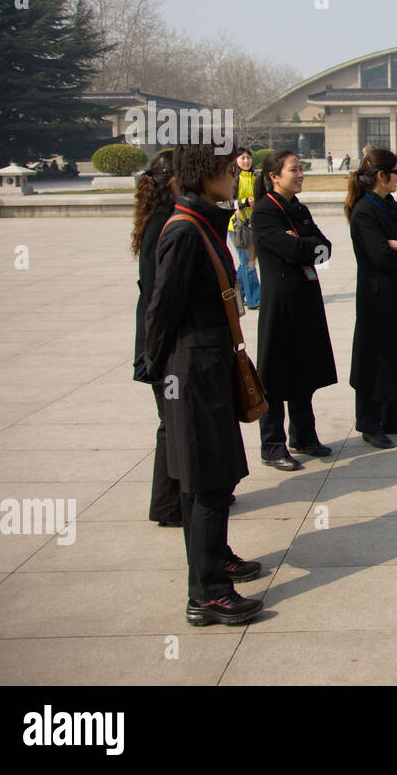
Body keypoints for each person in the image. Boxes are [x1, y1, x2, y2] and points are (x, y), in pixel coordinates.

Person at [144, 140, 263, 626]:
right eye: (224, 168)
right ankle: (208, 593)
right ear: (204, 174)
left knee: (211, 480)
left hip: (206, 366)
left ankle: (213, 569)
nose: (234, 174)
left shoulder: (202, 221)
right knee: (208, 482)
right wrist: (161, 370)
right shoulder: (184, 231)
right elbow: (160, 310)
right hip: (192, 371)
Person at [252, 149, 338, 472]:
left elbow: (324, 250)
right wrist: (303, 245)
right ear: (274, 176)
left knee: (304, 369)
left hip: (305, 299)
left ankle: (303, 435)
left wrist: (301, 244)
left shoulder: (298, 209)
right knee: (274, 375)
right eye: (294, 169)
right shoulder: (264, 212)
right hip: (280, 304)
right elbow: (290, 248)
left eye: (301, 168)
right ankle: (272, 445)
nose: (300, 173)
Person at [347, 149, 397, 447]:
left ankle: (394, 415)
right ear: (381, 176)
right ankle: (369, 421)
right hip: (375, 294)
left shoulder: (391, 205)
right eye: (395, 172)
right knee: (374, 356)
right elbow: (380, 256)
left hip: (395, 292)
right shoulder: (364, 211)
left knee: (395, 352)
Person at [131, 149, 180, 528]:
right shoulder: (166, 224)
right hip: (160, 343)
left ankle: (173, 499)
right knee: (172, 423)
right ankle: (167, 504)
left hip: (157, 340)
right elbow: (156, 293)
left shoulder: (163, 219)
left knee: (173, 421)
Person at [228, 149, 261, 310]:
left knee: (244, 263)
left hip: (252, 225)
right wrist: (245, 202)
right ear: (236, 160)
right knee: (248, 262)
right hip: (238, 226)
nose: (246, 161)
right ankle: (255, 298)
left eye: (248, 158)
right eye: (243, 158)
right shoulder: (234, 178)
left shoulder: (254, 177)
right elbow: (227, 203)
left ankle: (238, 297)